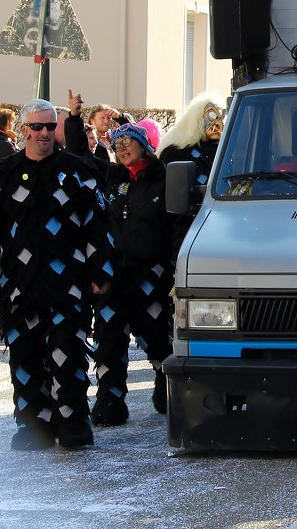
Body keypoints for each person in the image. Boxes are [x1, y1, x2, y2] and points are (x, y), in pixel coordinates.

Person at [0, 99, 115, 450]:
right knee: (25, 353)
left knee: (68, 351)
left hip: (69, 281)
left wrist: (100, 269)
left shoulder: (78, 172)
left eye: (50, 127)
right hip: (20, 283)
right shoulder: (4, 174)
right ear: (25, 130)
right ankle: (34, 423)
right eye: (37, 127)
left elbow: (98, 224)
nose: (44, 134)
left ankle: (73, 420)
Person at [68, 108, 176, 425]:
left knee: (154, 335)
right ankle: (110, 400)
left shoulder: (164, 178)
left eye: (128, 142)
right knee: (109, 338)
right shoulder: (113, 178)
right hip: (114, 274)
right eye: (117, 145)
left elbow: (177, 225)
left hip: (151, 273)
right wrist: (75, 122)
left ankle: (165, 384)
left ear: (143, 144)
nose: (122, 149)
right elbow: (81, 158)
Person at [158, 92, 226, 254]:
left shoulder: (226, 151)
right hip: (187, 225)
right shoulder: (177, 153)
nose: (218, 122)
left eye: (221, 116)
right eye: (212, 115)